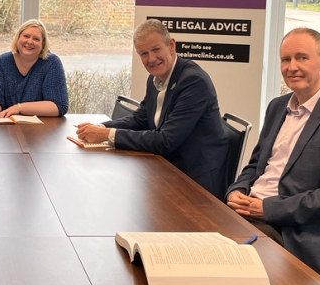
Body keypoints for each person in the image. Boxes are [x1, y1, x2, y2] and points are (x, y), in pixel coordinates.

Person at [225, 28, 320, 278]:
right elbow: (256, 165)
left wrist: (268, 209)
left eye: (302, 57)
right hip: (251, 212)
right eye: (285, 59)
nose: (292, 67)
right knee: (192, 233)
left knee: (220, 261)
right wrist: (237, 190)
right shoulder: (277, 107)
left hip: (297, 231)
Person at [76, 19, 229, 199]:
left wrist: (107, 135)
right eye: (143, 53)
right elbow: (140, 119)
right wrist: (101, 128)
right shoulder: (155, 78)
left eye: (156, 49)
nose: (151, 59)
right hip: (166, 169)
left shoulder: (193, 81)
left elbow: (165, 140)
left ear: (171, 45)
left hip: (195, 182)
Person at [0, 19, 69, 117]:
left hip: (42, 129)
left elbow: (59, 106)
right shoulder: (3, 61)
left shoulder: (51, 63)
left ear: (43, 43)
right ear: (18, 38)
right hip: (7, 128)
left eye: (36, 39)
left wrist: (19, 108)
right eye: (26, 36)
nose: (30, 41)